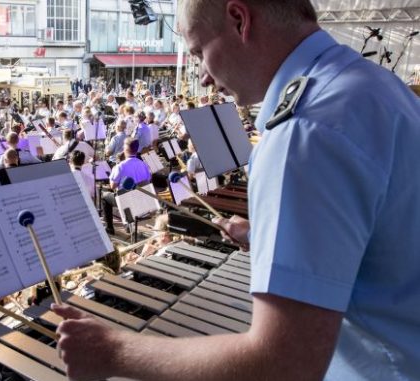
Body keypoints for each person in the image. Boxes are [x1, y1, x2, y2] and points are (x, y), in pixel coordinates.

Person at [53, 1, 420, 380]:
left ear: (239, 19)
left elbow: (281, 365)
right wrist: (267, 238)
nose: (204, 77)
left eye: (199, 52)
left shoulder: (302, 135)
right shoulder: (373, 85)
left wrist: (114, 350)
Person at [101, 138, 151, 235]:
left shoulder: (120, 166)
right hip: (141, 199)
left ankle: (109, 228)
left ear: (125, 149)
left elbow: (112, 186)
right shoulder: (143, 164)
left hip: (125, 200)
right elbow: (148, 180)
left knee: (105, 196)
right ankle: (128, 224)